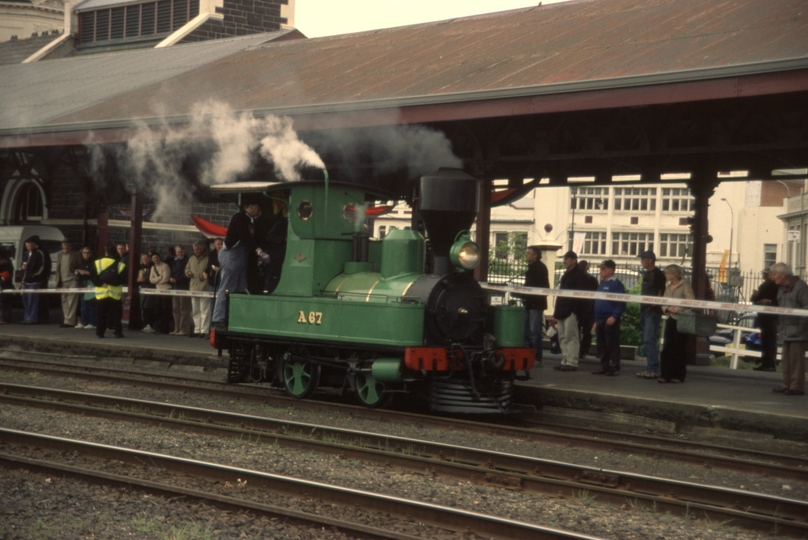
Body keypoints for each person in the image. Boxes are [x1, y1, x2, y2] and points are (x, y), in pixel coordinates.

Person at [212, 195, 267, 325]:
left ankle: (236, 317)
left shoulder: (251, 220)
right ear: (252, 207)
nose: (259, 210)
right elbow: (245, 237)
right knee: (227, 287)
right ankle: (218, 318)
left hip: (242, 258)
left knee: (241, 287)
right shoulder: (239, 218)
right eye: (257, 207)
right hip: (232, 256)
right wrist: (259, 251)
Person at [770, 263, 806, 396]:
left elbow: (807, 305)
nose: (772, 277)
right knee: (786, 360)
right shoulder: (782, 288)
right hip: (786, 329)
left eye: (774, 274)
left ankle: (796, 387)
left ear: (782, 275)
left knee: (796, 360)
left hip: (797, 330)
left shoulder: (800, 287)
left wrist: (802, 323)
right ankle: (787, 384)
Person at [552, 250, 589, 371]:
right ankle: (565, 360)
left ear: (574, 260)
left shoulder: (579, 275)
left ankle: (572, 362)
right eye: (564, 258)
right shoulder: (566, 274)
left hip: (571, 311)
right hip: (562, 309)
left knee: (571, 337)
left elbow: (580, 295)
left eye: (567, 258)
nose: (565, 261)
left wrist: (575, 311)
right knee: (562, 336)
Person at [658, 264, 695, 383]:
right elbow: (663, 301)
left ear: (674, 274)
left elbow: (690, 301)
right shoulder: (668, 287)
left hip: (681, 320)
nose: (665, 275)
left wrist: (678, 309)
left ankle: (678, 375)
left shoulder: (685, 286)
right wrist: (666, 308)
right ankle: (665, 374)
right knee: (667, 347)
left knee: (679, 347)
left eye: (667, 273)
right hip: (670, 318)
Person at [591, 260, 626, 376]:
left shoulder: (616, 284)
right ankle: (604, 365)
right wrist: (596, 320)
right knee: (601, 343)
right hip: (600, 318)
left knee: (611, 343)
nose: (601, 271)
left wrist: (614, 316)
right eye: (601, 269)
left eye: (604, 269)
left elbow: (621, 302)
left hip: (610, 317)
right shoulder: (602, 283)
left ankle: (614, 366)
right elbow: (597, 302)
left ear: (611, 270)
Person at [517, 246, 549, 367]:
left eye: (529, 253)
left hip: (536, 304)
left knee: (535, 332)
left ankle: (537, 357)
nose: (526, 255)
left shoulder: (540, 268)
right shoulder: (531, 268)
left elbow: (542, 287)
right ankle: (528, 355)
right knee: (526, 331)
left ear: (535, 255)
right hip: (529, 304)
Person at [636, 250, 667, 379]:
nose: (641, 261)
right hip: (645, 310)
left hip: (651, 311)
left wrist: (654, 305)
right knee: (647, 339)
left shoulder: (657, 274)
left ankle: (653, 368)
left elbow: (660, 290)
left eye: (643, 259)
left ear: (649, 260)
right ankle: (650, 367)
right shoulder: (647, 274)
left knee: (649, 339)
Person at [90, 244, 126, 338]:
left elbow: (93, 277)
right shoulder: (120, 264)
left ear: (105, 252)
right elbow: (122, 279)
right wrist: (111, 282)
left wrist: (101, 283)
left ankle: (100, 332)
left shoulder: (97, 263)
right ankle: (118, 332)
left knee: (101, 315)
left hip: (101, 294)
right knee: (116, 315)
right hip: (115, 294)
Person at [750, 268, 778, 372]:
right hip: (762, 316)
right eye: (764, 275)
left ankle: (771, 364)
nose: (764, 277)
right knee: (764, 340)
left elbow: (779, 301)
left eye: (766, 274)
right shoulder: (762, 286)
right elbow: (755, 301)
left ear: (772, 275)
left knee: (771, 340)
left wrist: (769, 302)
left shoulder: (777, 287)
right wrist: (754, 296)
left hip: (772, 317)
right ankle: (764, 363)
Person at [186, 240, 211, 338]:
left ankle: (204, 330)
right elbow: (187, 268)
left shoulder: (208, 258)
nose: (195, 251)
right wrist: (188, 273)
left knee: (204, 309)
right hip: (193, 286)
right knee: (195, 309)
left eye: (197, 249)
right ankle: (197, 329)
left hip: (204, 286)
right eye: (194, 249)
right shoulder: (191, 259)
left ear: (202, 249)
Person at [20, 236, 46, 325]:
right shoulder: (26, 254)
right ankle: (27, 318)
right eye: (27, 243)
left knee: (33, 301)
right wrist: (22, 267)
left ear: (35, 245)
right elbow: (23, 264)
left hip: (34, 281)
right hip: (25, 280)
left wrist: (34, 275)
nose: (29, 245)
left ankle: (32, 318)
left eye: (31, 243)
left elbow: (41, 266)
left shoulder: (39, 253)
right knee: (25, 301)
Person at [56, 239, 81, 328]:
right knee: (64, 300)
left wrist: (77, 272)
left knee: (72, 301)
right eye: (64, 245)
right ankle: (66, 319)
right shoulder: (60, 254)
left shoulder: (76, 254)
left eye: (67, 245)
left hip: (73, 280)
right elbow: (58, 268)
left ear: (71, 246)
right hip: (63, 281)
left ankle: (70, 321)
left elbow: (79, 265)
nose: (65, 247)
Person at [577, 260, 599, 358]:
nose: (581, 269)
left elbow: (596, 294)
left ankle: (583, 350)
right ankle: (577, 349)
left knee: (587, 331)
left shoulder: (593, 280)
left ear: (587, 268)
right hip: (577, 308)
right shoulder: (576, 279)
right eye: (580, 267)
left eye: (583, 267)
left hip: (589, 309)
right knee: (575, 330)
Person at [169, 245, 191, 336]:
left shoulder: (187, 261)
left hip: (184, 287)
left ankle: (184, 329)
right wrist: (171, 278)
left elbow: (187, 274)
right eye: (178, 252)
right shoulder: (175, 261)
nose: (179, 254)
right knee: (175, 309)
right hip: (175, 288)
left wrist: (177, 280)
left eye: (181, 252)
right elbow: (172, 271)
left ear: (184, 251)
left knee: (184, 309)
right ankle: (176, 328)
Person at [148, 251, 172, 334]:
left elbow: (166, 279)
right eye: (153, 258)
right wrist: (159, 278)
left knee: (165, 310)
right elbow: (151, 280)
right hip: (158, 290)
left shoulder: (165, 266)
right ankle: (158, 327)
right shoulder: (152, 268)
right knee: (158, 309)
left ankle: (165, 328)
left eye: (156, 257)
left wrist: (156, 280)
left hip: (166, 290)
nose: (155, 259)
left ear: (159, 258)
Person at [75, 246, 97, 329]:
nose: (86, 254)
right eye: (84, 253)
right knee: (83, 305)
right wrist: (77, 272)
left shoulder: (94, 262)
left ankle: (92, 322)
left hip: (90, 284)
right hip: (82, 284)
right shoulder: (80, 262)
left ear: (91, 254)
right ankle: (84, 322)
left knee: (91, 304)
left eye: (88, 253)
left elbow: (95, 274)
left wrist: (86, 272)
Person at [137, 253, 155, 332]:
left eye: (146, 258)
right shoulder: (139, 267)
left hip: (150, 288)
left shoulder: (152, 267)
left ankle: (150, 324)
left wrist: (147, 280)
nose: (145, 260)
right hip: (142, 288)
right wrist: (138, 280)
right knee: (143, 307)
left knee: (149, 307)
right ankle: (145, 324)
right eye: (143, 258)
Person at [0, 250, 14, 324]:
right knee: (5, 303)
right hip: (6, 285)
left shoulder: (5, 263)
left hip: (5, 286)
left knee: (4, 303)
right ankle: (5, 319)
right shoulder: (7, 262)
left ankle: (5, 319)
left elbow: (6, 275)